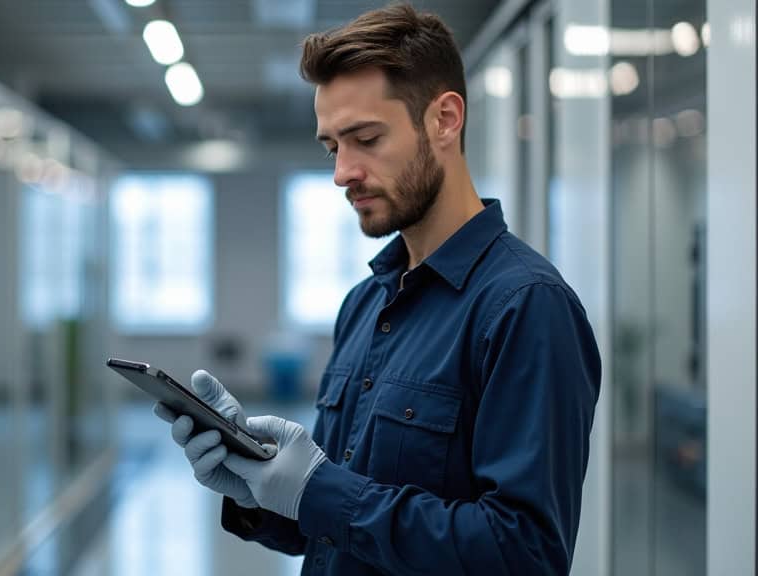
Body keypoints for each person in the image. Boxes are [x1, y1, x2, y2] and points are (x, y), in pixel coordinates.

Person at [154, 3, 601, 574]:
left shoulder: (526, 307)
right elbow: (335, 527)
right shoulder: (365, 304)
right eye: (332, 147)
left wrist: (318, 490)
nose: (342, 172)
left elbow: (523, 555)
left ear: (444, 120)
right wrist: (256, 485)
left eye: (365, 138)